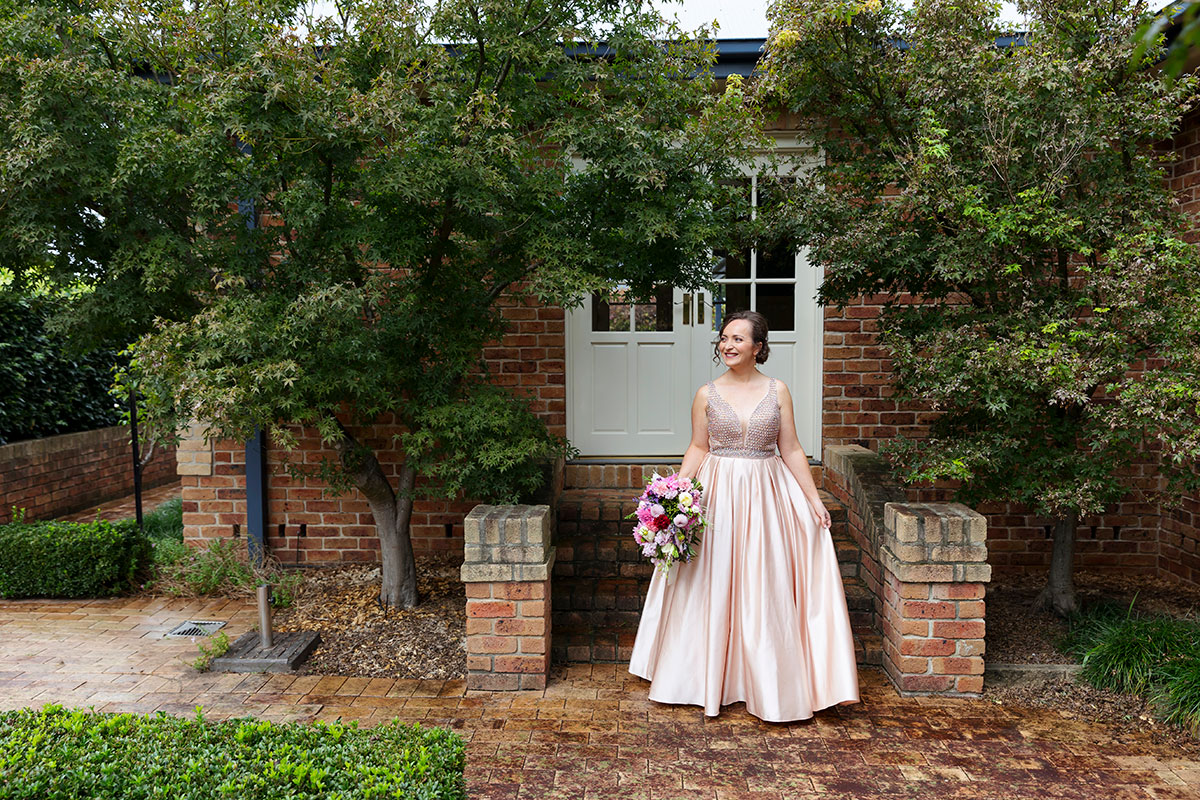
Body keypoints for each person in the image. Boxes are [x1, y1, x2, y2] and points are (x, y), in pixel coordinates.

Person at [628, 310, 861, 722]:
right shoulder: (706, 393)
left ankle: (764, 680)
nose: (728, 345)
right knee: (711, 579)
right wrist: (675, 495)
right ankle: (701, 675)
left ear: (758, 346)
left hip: (766, 492)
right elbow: (698, 446)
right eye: (724, 338)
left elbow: (790, 448)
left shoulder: (778, 391)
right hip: (717, 493)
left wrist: (813, 500)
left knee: (761, 581)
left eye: (738, 339)